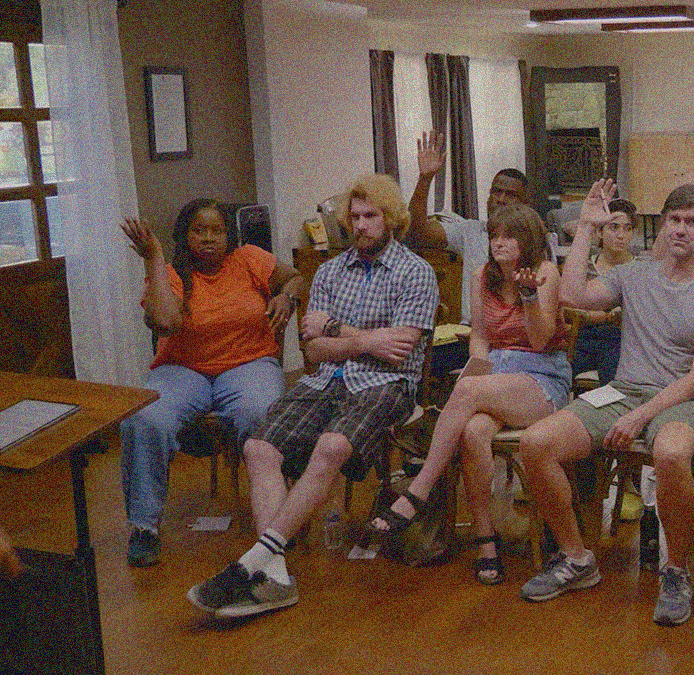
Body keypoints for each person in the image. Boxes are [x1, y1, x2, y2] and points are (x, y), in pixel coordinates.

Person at [186, 174, 438, 619]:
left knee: (331, 445)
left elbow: (398, 352)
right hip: (325, 379)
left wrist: (339, 332)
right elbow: (314, 349)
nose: (360, 226)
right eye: (354, 217)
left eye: (371, 216)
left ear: (391, 220)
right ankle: (274, 574)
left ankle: (252, 564)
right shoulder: (328, 271)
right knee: (258, 447)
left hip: (387, 385)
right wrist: (365, 340)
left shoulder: (415, 272)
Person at [517, 180, 694, 627]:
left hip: (680, 399)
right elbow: (572, 295)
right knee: (536, 442)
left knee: (672, 454)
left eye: (692, 222)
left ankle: (675, 572)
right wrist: (584, 227)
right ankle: (577, 558)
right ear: (662, 227)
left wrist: (642, 415)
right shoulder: (633, 273)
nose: (680, 229)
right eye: (674, 220)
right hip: (622, 390)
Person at [367, 203, 571, 585]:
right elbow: (479, 336)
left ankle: (418, 491)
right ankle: (484, 538)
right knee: (474, 431)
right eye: (494, 235)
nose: (498, 242)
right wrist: (478, 367)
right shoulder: (481, 275)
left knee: (466, 392)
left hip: (542, 376)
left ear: (527, 239)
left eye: (508, 235)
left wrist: (528, 297)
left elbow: (543, 340)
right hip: (496, 374)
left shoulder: (545, 273)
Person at [118, 199, 303, 568]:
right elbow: (166, 323)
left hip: (249, 362)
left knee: (261, 413)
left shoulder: (250, 258)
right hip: (183, 370)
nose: (208, 238)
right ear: (184, 237)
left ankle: (276, 522)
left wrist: (287, 294)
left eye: (216, 230)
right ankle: (144, 529)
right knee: (143, 419)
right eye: (198, 231)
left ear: (228, 235)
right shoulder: (169, 272)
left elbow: (294, 276)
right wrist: (153, 257)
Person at [406, 130, 531, 326]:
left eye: (510, 194)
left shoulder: (534, 239)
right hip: (471, 334)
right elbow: (415, 232)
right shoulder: (470, 231)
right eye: (496, 192)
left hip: (515, 334)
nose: (500, 199)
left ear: (525, 202)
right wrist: (425, 178)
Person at [569, 197, 637, 387]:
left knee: (614, 368)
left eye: (628, 228)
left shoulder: (640, 269)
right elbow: (567, 307)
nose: (621, 235)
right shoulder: (584, 267)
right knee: (561, 367)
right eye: (614, 227)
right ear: (600, 232)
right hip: (582, 335)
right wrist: (602, 316)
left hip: (622, 340)